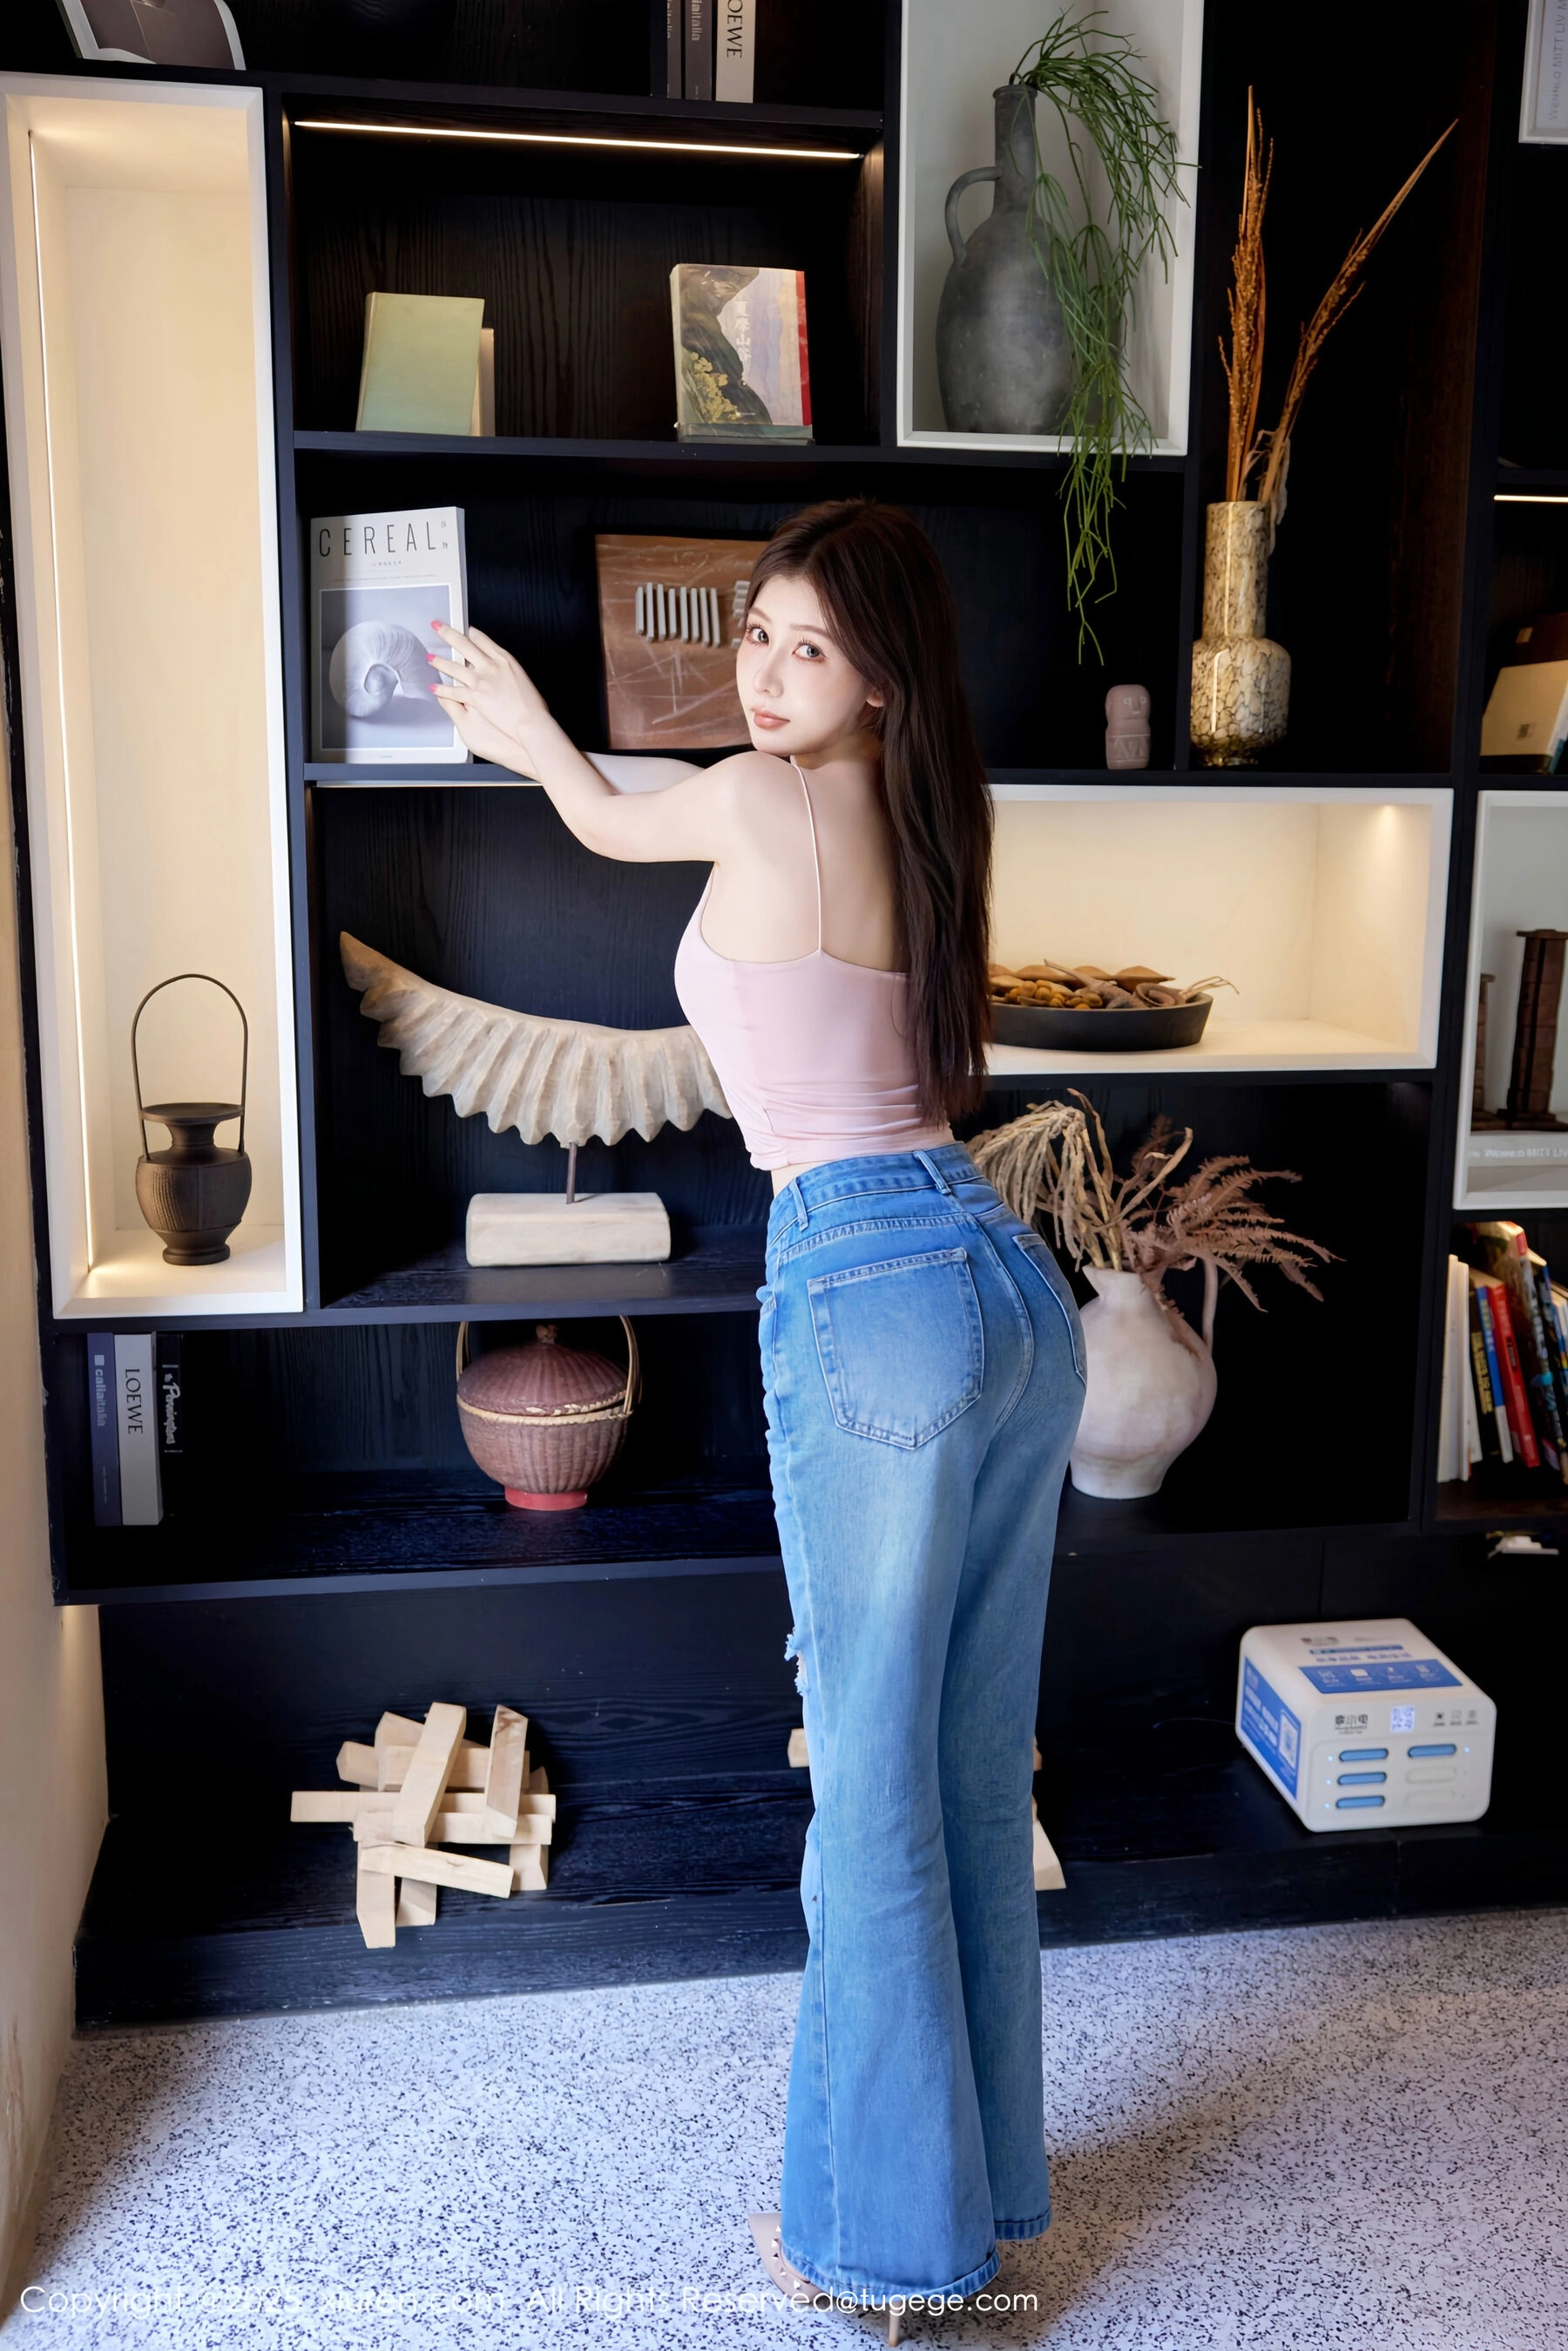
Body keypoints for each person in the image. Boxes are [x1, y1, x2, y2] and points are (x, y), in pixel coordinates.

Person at [429, 498, 1085, 2342]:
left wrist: (529, 729)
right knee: (969, 1767)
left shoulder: (751, 796)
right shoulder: (926, 814)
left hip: (871, 1279)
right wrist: (584, 747)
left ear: (880, 674)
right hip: (999, 1277)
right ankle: (976, 2196)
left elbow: (603, 816)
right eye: (757, 636)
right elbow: (693, 813)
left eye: (809, 646)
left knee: (870, 1780)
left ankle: (878, 2246)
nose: (768, 672)